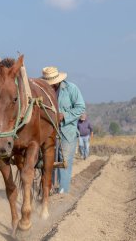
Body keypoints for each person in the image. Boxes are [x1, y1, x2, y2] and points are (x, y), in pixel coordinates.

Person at [41, 66, 85, 194]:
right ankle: (47, 188)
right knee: (47, 161)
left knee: (64, 162)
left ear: (59, 81)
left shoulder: (71, 89)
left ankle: (62, 192)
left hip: (67, 132)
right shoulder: (41, 90)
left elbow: (80, 107)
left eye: (53, 84)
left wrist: (64, 115)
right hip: (47, 131)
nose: (52, 86)